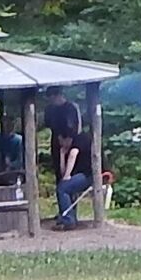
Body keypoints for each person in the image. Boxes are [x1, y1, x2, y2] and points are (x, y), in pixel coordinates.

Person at [46, 97, 94, 227]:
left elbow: (73, 155)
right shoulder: (65, 149)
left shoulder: (79, 140)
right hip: (80, 175)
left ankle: (68, 220)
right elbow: (62, 172)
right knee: (64, 185)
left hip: (88, 174)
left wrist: (67, 176)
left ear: (66, 138)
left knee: (63, 188)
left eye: (61, 141)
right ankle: (68, 215)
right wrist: (62, 154)